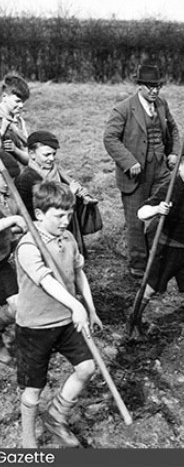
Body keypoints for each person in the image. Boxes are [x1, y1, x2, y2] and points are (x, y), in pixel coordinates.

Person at [15, 181, 102, 448]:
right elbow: (48, 282)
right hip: (35, 326)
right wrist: (75, 306)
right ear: (39, 215)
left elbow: (78, 274)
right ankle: (28, 440)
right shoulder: (28, 246)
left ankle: (56, 416)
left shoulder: (68, 238)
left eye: (69, 214)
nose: (66, 221)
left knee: (87, 368)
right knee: (33, 389)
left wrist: (90, 308)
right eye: (59, 216)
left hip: (66, 321)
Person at [103, 63, 180, 278]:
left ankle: (157, 257)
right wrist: (129, 161)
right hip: (135, 174)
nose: (154, 91)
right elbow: (109, 139)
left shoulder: (162, 105)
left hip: (161, 170)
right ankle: (138, 265)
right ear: (140, 86)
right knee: (136, 220)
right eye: (150, 87)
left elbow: (173, 129)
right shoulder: (124, 108)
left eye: (157, 87)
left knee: (162, 210)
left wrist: (174, 153)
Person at [136, 146, 184, 334]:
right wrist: (157, 209)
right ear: (180, 167)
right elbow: (141, 212)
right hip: (167, 249)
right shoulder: (170, 188)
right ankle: (133, 321)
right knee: (150, 288)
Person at [15, 130, 96, 256]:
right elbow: (39, 208)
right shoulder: (26, 179)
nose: (51, 159)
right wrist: (69, 193)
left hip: (60, 226)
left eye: (54, 154)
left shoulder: (55, 171)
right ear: (31, 154)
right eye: (46, 155)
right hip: (42, 233)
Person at [0, 151, 27, 365]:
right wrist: (13, 220)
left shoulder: (7, 195)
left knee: (18, 306)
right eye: (4, 180)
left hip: (1, 260)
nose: (7, 185)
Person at [0, 73, 30, 166]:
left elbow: (30, 159)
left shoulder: (20, 122)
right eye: (17, 101)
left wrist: (16, 150)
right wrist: (2, 130)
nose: (21, 106)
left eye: (23, 102)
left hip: (16, 175)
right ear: (4, 96)